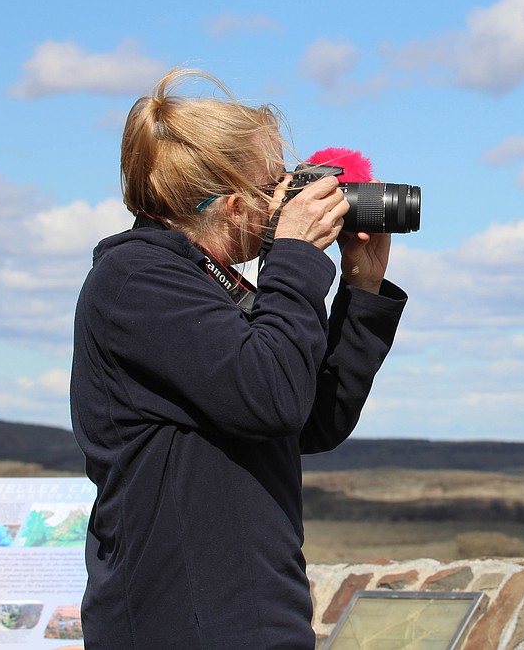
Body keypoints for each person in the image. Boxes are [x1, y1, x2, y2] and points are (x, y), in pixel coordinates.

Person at [69, 67, 407, 648]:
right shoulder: (137, 282)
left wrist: (362, 291)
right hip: (182, 624)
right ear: (232, 205)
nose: (290, 197)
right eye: (277, 184)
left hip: (251, 617)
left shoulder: (210, 286)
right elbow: (271, 398)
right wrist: (295, 256)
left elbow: (310, 418)